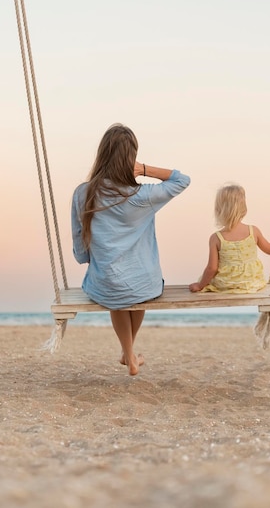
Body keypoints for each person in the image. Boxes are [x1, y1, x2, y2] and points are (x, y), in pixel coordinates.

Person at [71, 123, 190, 375]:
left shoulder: (83, 193)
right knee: (137, 289)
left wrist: (85, 259)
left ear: (102, 154)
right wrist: (144, 169)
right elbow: (182, 180)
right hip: (144, 283)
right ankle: (129, 355)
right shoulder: (142, 195)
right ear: (130, 157)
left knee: (117, 293)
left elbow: (80, 239)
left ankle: (129, 354)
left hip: (105, 284)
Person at [189, 183, 270, 294]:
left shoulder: (216, 238)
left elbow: (212, 268)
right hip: (251, 283)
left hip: (226, 285)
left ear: (219, 210)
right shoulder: (253, 231)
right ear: (243, 208)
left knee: (206, 279)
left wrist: (200, 285)